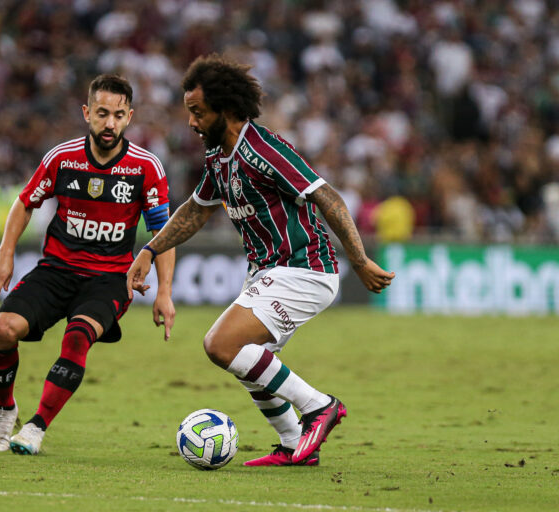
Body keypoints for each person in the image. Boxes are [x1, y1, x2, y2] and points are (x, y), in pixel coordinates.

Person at [127, 55, 394, 467]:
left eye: (198, 113)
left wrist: (358, 260)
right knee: (249, 360)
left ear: (227, 110)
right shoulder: (218, 158)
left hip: (305, 268)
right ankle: (293, 446)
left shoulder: (264, 149)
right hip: (269, 272)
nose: (192, 123)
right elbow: (196, 211)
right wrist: (150, 249)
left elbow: (328, 197)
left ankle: (320, 407)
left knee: (221, 344)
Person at [0, 74, 175, 455]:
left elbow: (163, 232)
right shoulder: (62, 158)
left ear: (130, 117)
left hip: (110, 279)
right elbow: (24, 203)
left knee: (78, 335)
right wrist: (5, 255)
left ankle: (36, 427)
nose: (110, 123)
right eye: (102, 113)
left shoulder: (145, 167)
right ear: (87, 112)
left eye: (118, 115)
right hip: (56, 271)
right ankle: (6, 410)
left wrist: (164, 291)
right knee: (4, 329)